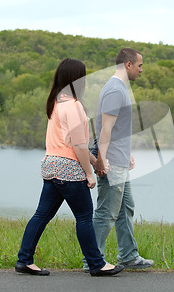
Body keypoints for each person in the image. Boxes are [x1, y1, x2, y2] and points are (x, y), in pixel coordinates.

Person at [15, 58, 124, 277]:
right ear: (76, 79)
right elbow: (78, 146)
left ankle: (24, 260)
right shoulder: (73, 106)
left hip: (51, 166)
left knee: (41, 215)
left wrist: (97, 162)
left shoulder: (56, 103)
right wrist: (89, 173)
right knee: (84, 216)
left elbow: (70, 143)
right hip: (68, 169)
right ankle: (96, 264)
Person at [82, 48, 154, 271]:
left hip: (119, 159)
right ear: (129, 65)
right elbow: (105, 130)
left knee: (125, 208)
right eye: (140, 65)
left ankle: (129, 256)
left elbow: (117, 129)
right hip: (112, 163)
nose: (142, 70)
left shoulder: (120, 88)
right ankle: (93, 260)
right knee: (106, 212)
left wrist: (127, 152)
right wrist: (101, 161)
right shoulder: (115, 89)